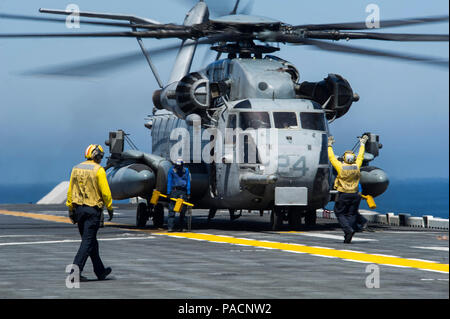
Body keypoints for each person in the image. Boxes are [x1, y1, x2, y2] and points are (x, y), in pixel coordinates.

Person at [66, 144, 114, 281]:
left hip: (78, 210)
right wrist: (110, 208)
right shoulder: (98, 170)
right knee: (87, 242)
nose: (101, 159)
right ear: (96, 155)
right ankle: (75, 272)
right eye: (100, 156)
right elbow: (105, 192)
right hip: (92, 210)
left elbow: (70, 191)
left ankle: (100, 271)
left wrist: (70, 208)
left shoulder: (76, 168)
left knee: (91, 241)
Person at [328, 135, 368, 243]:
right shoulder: (357, 166)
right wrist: (362, 144)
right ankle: (348, 233)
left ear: (344, 158)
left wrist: (329, 146)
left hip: (343, 194)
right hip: (355, 195)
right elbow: (361, 156)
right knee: (351, 214)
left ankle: (348, 230)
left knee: (339, 213)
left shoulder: (341, 167)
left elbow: (331, 158)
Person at [167, 158, 191, 232]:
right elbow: (169, 181)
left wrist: (188, 192)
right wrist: (168, 192)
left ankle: (182, 227)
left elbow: (188, 181)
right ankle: (170, 227)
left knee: (183, 210)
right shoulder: (171, 170)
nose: (178, 166)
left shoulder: (186, 171)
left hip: (183, 191)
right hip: (174, 191)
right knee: (172, 210)